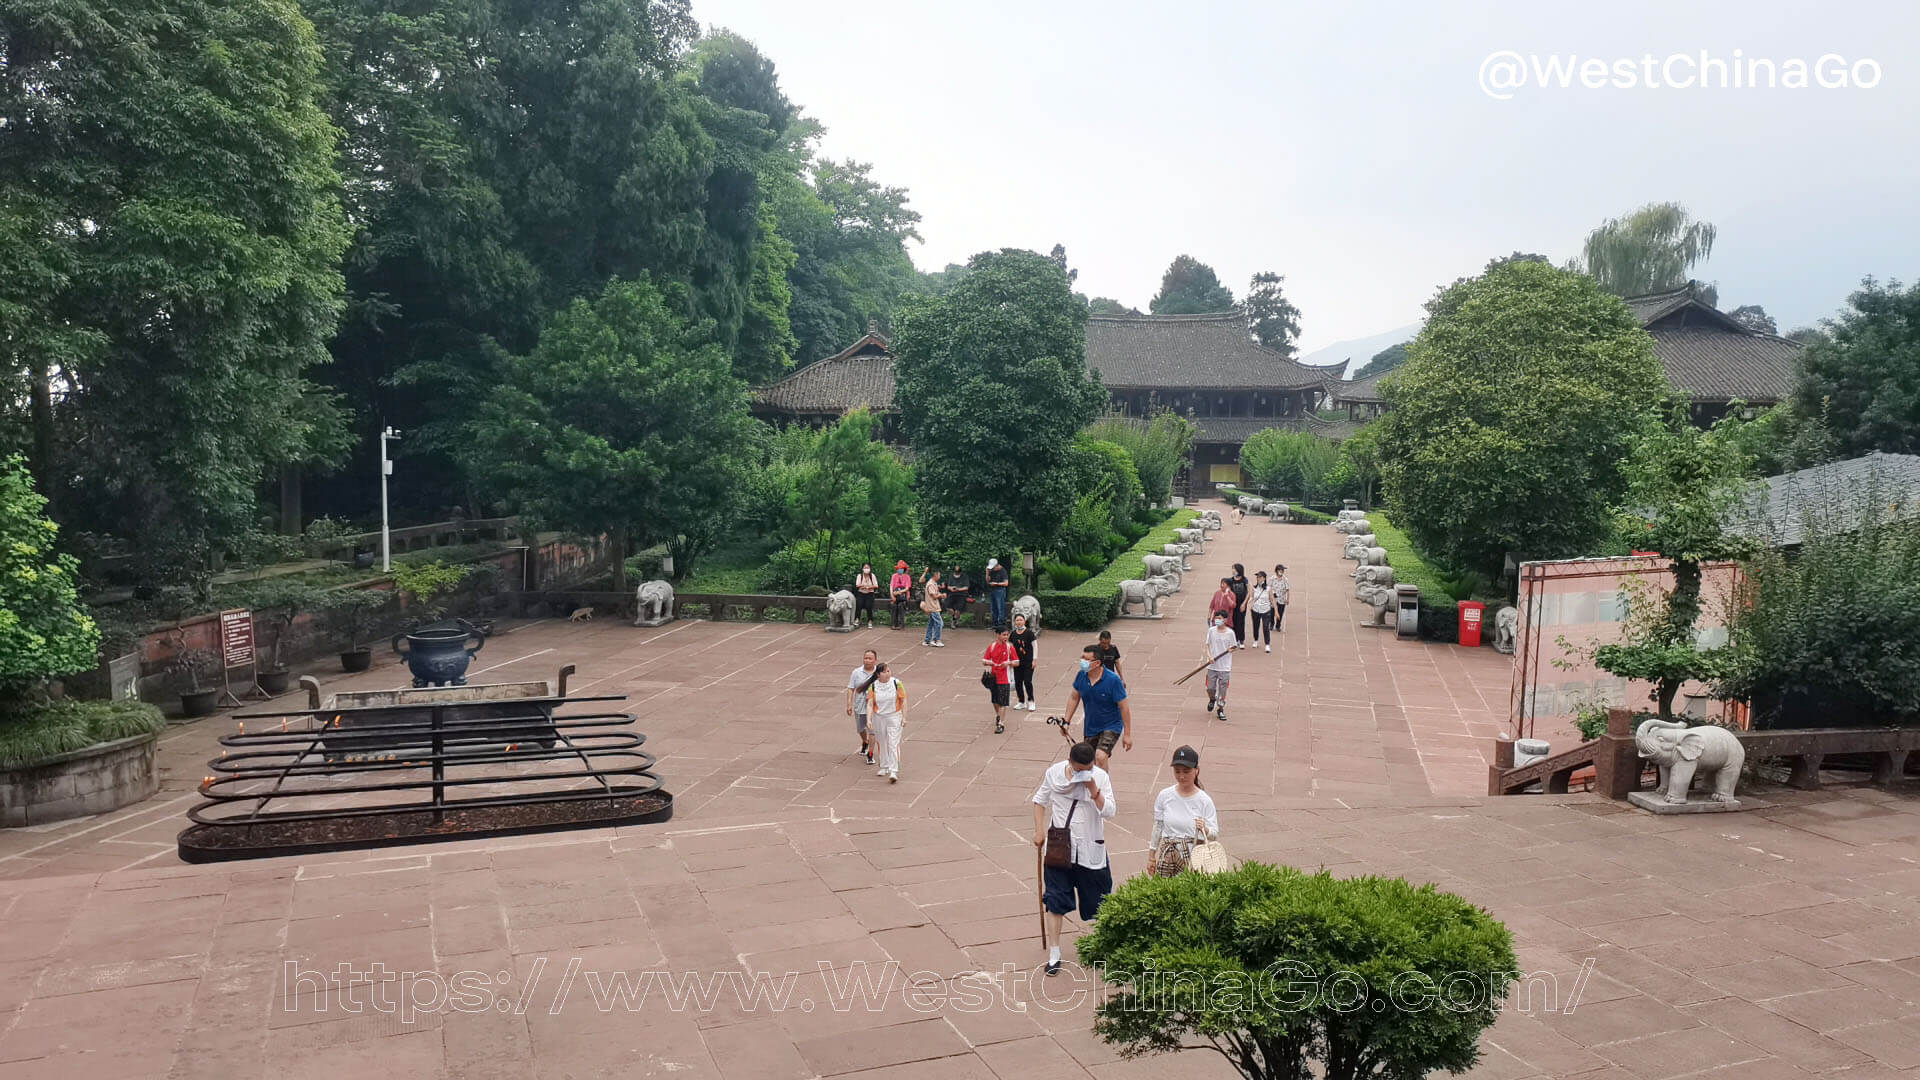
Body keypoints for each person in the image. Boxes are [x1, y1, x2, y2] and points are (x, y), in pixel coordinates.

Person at [1031, 742, 1116, 975]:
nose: (1082, 773)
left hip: (1090, 850)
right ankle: (1054, 952)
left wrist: (1093, 788)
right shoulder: (1054, 773)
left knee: (1100, 901)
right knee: (1054, 899)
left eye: (1086, 768)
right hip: (1059, 848)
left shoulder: (1100, 778)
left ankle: (1104, 945)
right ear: (1070, 762)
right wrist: (1039, 831)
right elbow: (1039, 801)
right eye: (1078, 769)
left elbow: (1109, 811)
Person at [1150, 745, 1220, 877]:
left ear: (1196, 770)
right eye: (1177, 771)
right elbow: (1158, 826)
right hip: (1168, 856)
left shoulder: (1204, 800)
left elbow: (1214, 834)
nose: (1181, 776)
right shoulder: (1164, 795)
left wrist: (1204, 829)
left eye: (1186, 771)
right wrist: (1151, 856)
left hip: (1194, 858)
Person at [1061, 643, 1132, 770]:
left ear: (1098, 663)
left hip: (1111, 725)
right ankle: (1099, 784)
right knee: (1091, 761)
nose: (1082, 662)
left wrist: (1127, 734)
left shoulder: (1113, 680)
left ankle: (1103, 788)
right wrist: (1066, 721)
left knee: (1100, 756)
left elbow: (1124, 707)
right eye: (1082, 658)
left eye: (1087, 659)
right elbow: (1074, 697)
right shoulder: (1081, 676)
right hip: (1091, 726)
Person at [862, 661, 907, 782]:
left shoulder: (896, 683)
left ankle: (893, 770)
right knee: (881, 741)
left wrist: (904, 717)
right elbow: (870, 704)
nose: (887, 674)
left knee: (893, 743)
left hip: (894, 716)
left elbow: (903, 700)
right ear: (878, 674)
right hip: (879, 717)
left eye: (888, 671)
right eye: (884, 672)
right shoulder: (874, 686)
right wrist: (869, 719)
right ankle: (884, 766)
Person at [982, 624, 1018, 735]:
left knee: (1003, 702)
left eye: (1007, 635)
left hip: (1005, 679)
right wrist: (990, 662)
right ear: (998, 635)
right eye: (1004, 635)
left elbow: (1017, 662)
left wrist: (1008, 663)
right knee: (995, 700)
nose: (1006, 637)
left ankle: (1001, 723)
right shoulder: (992, 647)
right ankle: (998, 715)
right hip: (994, 678)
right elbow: (984, 660)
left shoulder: (1009, 647)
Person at [1203, 609, 1238, 720]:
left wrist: (1230, 650)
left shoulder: (1230, 633)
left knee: (1223, 690)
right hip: (1212, 666)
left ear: (1225, 620)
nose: (1217, 620)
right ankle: (1212, 699)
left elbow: (1234, 647)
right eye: (1216, 618)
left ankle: (1220, 709)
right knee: (1210, 688)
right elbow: (1207, 645)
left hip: (1224, 667)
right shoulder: (1212, 631)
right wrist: (1209, 657)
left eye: (1220, 618)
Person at [846, 648, 880, 764]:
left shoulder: (879, 673)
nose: (867, 661)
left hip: (874, 707)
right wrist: (849, 703)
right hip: (859, 705)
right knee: (861, 728)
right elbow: (851, 688)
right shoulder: (856, 672)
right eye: (865, 658)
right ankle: (864, 741)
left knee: (872, 731)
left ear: (875, 660)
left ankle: (870, 754)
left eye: (870, 658)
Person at [1010, 613, 1037, 711]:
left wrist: (1034, 659)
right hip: (1017, 662)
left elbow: (1035, 646)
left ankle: (1031, 701)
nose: (1019, 622)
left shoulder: (1029, 633)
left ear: (1024, 621)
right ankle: (1021, 701)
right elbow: (1011, 647)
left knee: (1027, 681)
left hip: (1028, 662)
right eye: (1017, 620)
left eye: (1021, 620)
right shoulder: (1013, 634)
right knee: (1018, 682)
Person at [1248, 569, 1275, 652]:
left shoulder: (1268, 588)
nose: (1258, 578)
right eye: (1257, 577)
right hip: (1255, 610)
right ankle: (1255, 640)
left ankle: (1267, 644)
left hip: (1266, 610)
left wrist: (1276, 610)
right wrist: (1249, 603)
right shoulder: (1254, 587)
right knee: (1255, 626)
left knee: (1265, 627)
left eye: (1260, 577)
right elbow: (1251, 597)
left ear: (1264, 578)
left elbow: (1272, 599)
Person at [985, 557, 1011, 630]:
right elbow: (987, 581)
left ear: (997, 565)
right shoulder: (991, 570)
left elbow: (1006, 583)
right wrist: (987, 573)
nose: (992, 569)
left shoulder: (1003, 571)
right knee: (993, 608)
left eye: (993, 568)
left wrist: (996, 583)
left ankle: (1001, 624)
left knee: (1000, 607)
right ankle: (995, 624)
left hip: (1000, 591)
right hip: (992, 590)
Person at [921, 569, 946, 647]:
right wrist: (942, 595)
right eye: (939, 575)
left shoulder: (934, 583)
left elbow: (936, 593)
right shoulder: (931, 584)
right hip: (933, 607)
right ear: (935, 575)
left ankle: (927, 640)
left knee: (931, 624)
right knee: (939, 623)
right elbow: (934, 596)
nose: (939, 576)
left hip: (933, 606)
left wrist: (940, 594)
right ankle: (936, 640)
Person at [1228, 564, 1250, 648]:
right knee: (1233, 621)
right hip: (1233, 604)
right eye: (1232, 569)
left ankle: (1241, 640)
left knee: (1241, 621)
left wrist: (1244, 603)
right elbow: (1228, 591)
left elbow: (1248, 593)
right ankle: (1234, 639)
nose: (1233, 571)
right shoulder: (1230, 580)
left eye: (1235, 569)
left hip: (1241, 604)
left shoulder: (1245, 580)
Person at [888, 561, 914, 629]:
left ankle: (901, 623)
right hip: (895, 595)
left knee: (900, 605)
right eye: (899, 568)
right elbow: (891, 586)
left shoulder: (907, 577)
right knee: (893, 605)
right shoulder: (894, 576)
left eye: (901, 568)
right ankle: (893, 623)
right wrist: (892, 595)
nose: (900, 569)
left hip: (903, 595)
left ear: (904, 569)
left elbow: (907, 588)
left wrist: (899, 592)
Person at [854, 563, 880, 630]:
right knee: (858, 605)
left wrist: (869, 587)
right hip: (861, 593)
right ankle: (857, 619)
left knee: (869, 606)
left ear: (870, 569)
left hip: (870, 593)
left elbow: (876, 585)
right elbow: (857, 585)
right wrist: (864, 586)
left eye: (867, 567)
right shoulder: (860, 576)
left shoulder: (872, 576)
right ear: (862, 569)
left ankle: (870, 621)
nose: (866, 569)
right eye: (865, 567)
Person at [1272, 564, 1291, 633]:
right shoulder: (1272, 578)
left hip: (1281, 600)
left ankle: (1278, 625)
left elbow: (1288, 590)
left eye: (1283, 570)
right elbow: (1268, 588)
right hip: (1273, 599)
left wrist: (1287, 599)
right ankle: (1271, 624)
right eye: (1281, 570)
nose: (1282, 571)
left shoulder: (1285, 579)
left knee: (1280, 613)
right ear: (1277, 571)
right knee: (1271, 613)